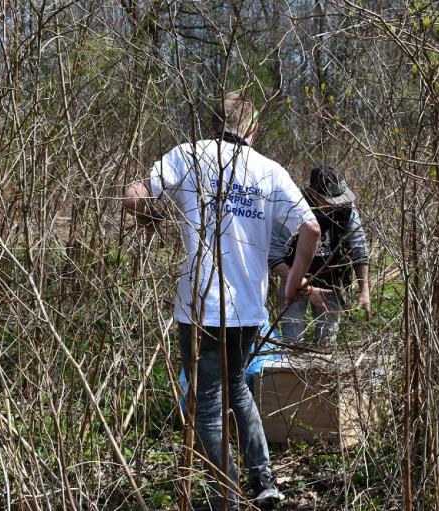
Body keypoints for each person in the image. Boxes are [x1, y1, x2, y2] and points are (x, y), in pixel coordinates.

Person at [122, 91, 320, 509]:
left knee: (207, 404)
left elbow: (134, 195)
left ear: (211, 124)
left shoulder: (187, 156)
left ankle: (224, 498)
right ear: (251, 129)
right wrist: (291, 284)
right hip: (248, 310)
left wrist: (148, 218)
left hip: (199, 307)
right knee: (237, 390)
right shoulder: (269, 171)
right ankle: (264, 483)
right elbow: (311, 228)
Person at [269, 165, 370, 347]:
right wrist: (304, 287)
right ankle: (291, 372)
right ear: (312, 192)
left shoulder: (346, 207)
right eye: (328, 199)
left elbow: (358, 245)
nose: (335, 204)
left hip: (329, 282)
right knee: (293, 341)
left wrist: (364, 288)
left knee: (327, 342)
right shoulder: (292, 207)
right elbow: (274, 255)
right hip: (293, 278)